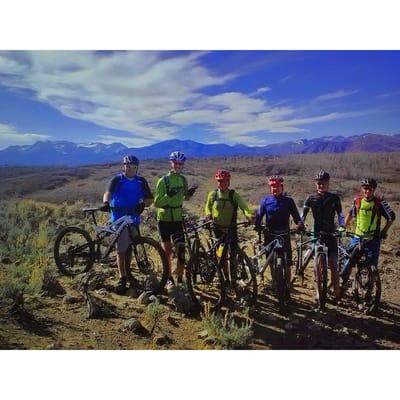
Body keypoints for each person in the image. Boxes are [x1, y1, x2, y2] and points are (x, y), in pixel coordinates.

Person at [101, 155, 153, 294]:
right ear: (123, 166)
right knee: (122, 250)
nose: (130, 169)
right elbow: (108, 192)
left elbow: (149, 199)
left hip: (133, 219)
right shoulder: (117, 179)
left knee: (131, 247)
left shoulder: (141, 181)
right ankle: (122, 278)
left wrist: (143, 204)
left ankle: (128, 273)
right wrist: (106, 203)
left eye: (133, 166)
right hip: (119, 218)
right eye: (127, 166)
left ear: (137, 168)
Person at [341, 177, 396, 287]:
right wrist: (343, 227)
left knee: (372, 265)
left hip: (373, 238)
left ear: (374, 189)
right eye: (365, 188)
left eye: (370, 189)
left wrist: (383, 232)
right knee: (349, 260)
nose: (367, 191)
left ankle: (370, 289)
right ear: (362, 189)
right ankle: (343, 283)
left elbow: (391, 217)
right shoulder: (357, 201)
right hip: (357, 237)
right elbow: (351, 214)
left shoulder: (379, 203)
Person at [153, 151, 197, 288]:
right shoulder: (163, 181)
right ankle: (167, 277)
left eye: (180, 164)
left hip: (177, 218)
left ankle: (180, 277)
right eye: (176, 163)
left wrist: (189, 194)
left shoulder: (183, 180)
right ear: (171, 163)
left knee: (181, 249)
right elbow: (157, 203)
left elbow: (185, 198)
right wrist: (168, 196)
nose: (178, 166)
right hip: (164, 219)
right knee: (167, 251)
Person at [255, 175, 304, 292]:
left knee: (287, 262)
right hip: (270, 234)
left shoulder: (289, 201)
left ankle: (288, 284)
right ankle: (274, 282)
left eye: (277, 186)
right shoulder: (266, 201)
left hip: (284, 235)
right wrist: (257, 225)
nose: (274, 189)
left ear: (282, 187)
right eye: (272, 187)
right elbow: (259, 216)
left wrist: (300, 224)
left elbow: (297, 217)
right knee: (270, 261)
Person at [204, 169, 254, 283]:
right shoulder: (213, 194)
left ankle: (234, 278)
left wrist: (249, 216)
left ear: (228, 182)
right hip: (217, 229)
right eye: (219, 181)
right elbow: (207, 206)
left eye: (224, 181)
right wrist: (208, 214)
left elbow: (244, 207)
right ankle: (226, 278)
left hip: (231, 229)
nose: (221, 183)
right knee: (221, 254)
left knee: (233, 254)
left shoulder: (233, 195)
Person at [302, 170, 344, 303]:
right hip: (317, 232)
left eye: (324, 183)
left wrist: (341, 227)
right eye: (319, 183)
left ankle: (337, 296)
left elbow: (341, 215)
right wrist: (300, 224)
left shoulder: (334, 198)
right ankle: (318, 293)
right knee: (317, 265)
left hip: (331, 233)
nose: (321, 185)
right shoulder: (310, 198)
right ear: (316, 184)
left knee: (333, 265)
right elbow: (303, 215)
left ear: (328, 183)